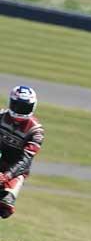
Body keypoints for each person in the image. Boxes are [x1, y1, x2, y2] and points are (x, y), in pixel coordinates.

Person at [0, 85, 44, 219]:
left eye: (24, 107)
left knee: (5, 206)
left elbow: (26, 160)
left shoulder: (36, 132)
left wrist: (7, 176)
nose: (20, 111)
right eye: (17, 106)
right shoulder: (0, 116)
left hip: (15, 171)